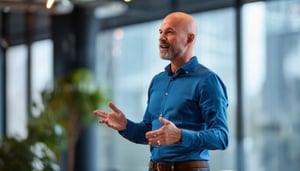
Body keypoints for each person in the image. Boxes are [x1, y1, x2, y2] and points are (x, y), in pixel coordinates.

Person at [93, 11, 229, 171]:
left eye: (169, 32)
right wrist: (125, 126)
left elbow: (221, 138)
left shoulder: (207, 81)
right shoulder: (158, 81)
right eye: (160, 32)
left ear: (190, 38)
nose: (161, 37)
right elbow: (149, 132)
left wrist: (179, 135)